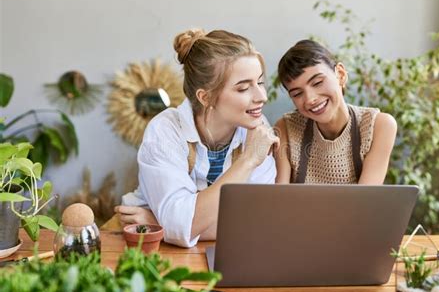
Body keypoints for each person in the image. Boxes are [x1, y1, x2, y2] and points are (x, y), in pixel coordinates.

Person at [114, 29, 279, 247]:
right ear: (205, 96)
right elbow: (182, 225)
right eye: (243, 88)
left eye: (259, 82)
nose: (262, 97)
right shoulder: (165, 130)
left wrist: (162, 225)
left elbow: (261, 221)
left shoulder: (257, 127)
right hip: (146, 246)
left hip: (207, 247)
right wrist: (248, 160)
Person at [274, 39, 397, 184]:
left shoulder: (378, 126)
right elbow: (281, 198)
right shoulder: (286, 128)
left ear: (340, 74)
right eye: (297, 94)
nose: (310, 99)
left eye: (317, 83)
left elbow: (365, 202)